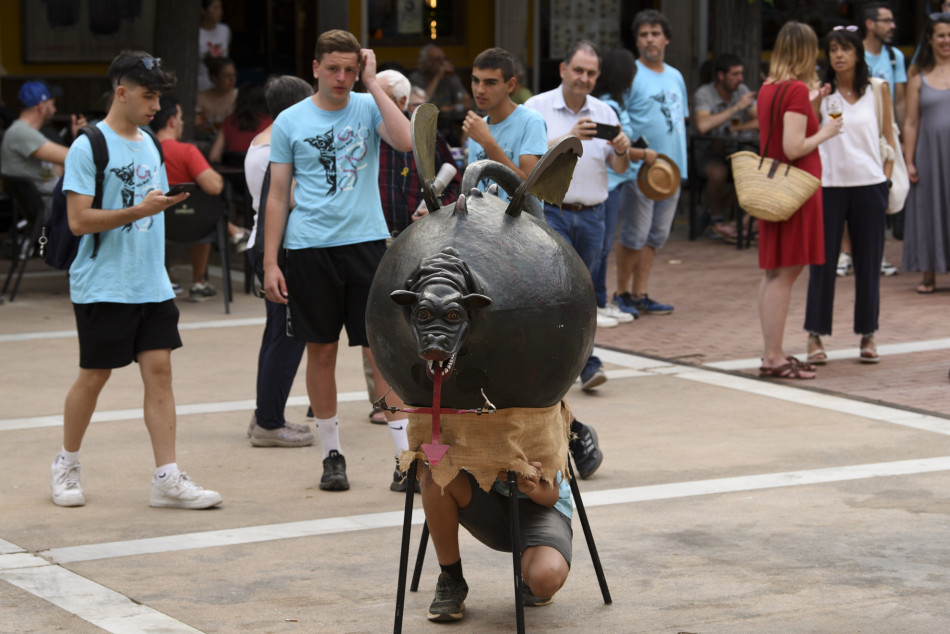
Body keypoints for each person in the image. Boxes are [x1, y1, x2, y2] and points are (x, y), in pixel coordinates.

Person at [51, 49, 221, 509]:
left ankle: (166, 477)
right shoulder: (89, 145)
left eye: (159, 98)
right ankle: (66, 463)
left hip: (151, 281)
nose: (156, 107)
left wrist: (157, 207)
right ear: (121, 93)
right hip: (103, 282)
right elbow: (78, 220)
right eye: (148, 97)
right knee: (95, 375)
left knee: (160, 372)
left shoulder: (151, 142)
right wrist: (138, 210)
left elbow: (150, 207)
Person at [262, 30, 413, 492]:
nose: (341, 77)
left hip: (366, 244)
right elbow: (277, 195)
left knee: (381, 352)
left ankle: (405, 458)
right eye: (333, 69)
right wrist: (270, 262)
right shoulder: (290, 120)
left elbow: (406, 140)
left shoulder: (368, 105)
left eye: (350, 69)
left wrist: (374, 82)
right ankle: (332, 455)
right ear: (315, 68)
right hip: (310, 248)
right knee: (321, 351)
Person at [525, 40, 630, 391]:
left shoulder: (605, 112)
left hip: (594, 215)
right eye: (579, 70)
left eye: (591, 73)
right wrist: (568, 137)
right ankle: (568, 363)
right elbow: (527, 159)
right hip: (551, 212)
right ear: (563, 69)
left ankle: (581, 361)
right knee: (554, 290)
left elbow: (619, 167)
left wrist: (622, 150)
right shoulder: (536, 108)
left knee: (585, 293)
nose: (584, 78)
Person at [756, 22, 841, 380]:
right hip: (796, 190)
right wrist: (826, 131)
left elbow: (779, 129)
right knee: (786, 273)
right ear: (806, 51)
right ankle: (774, 357)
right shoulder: (794, 89)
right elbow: (793, 147)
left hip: (775, 188)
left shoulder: (769, 87)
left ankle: (772, 352)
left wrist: (812, 102)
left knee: (774, 272)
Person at [805, 26, 894, 366]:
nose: (839, 55)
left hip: (870, 185)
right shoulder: (822, 94)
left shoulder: (877, 90)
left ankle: (868, 333)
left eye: (846, 48)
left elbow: (889, 139)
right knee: (822, 263)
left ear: (858, 54)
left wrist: (885, 182)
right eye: (833, 49)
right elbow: (808, 137)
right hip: (829, 186)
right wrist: (814, 100)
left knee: (868, 263)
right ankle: (815, 334)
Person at [243, 75, 315, 448]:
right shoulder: (278, 147)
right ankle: (269, 423)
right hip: (281, 248)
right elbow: (291, 199)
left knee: (277, 335)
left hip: (267, 244)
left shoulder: (261, 141)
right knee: (288, 338)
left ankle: (264, 414)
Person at [421, 461, 573, 622]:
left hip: (542, 507)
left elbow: (551, 497)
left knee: (545, 579)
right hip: (487, 498)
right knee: (435, 473)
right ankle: (451, 578)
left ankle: (533, 570)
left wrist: (531, 486)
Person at [612, 10, 686, 318]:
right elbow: (619, 122)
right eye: (643, 34)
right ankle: (620, 294)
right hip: (638, 171)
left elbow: (680, 120)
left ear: (666, 39)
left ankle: (639, 294)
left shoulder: (676, 76)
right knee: (634, 235)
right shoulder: (631, 75)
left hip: (670, 172)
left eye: (655, 33)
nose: (649, 39)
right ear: (637, 40)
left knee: (655, 236)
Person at [592, 47, 655, 326]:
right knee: (601, 246)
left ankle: (600, 300)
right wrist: (644, 153)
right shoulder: (608, 106)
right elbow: (612, 145)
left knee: (604, 246)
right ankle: (596, 302)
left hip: (614, 181)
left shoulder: (614, 103)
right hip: (609, 182)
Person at [150, 94, 229, 302]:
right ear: (171, 121)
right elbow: (214, 186)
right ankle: (199, 282)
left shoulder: (145, 150)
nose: (183, 122)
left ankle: (159, 278)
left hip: (155, 224)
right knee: (205, 208)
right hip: (194, 224)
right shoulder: (187, 151)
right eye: (181, 117)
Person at [376, 69, 460, 236]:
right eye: (371, 98)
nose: (374, 104)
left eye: (381, 98)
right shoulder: (362, 135)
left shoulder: (426, 136)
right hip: (374, 240)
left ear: (402, 102)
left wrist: (438, 208)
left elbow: (454, 182)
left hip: (420, 238)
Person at [901, 13, 950, 294]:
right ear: (930, 39)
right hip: (929, 153)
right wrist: (909, 160)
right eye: (941, 35)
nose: (946, 40)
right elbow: (910, 122)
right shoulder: (917, 76)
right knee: (930, 207)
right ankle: (929, 274)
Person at [692, 53, 759, 242]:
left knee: (749, 170)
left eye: (741, 74)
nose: (740, 79)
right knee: (718, 172)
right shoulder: (704, 94)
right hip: (705, 150)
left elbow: (761, 120)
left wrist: (734, 128)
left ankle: (714, 211)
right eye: (735, 74)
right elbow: (703, 125)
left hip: (732, 148)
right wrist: (736, 108)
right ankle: (716, 217)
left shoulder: (741, 89)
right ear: (721, 76)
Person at [464, 47, 548, 195]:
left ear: (510, 85)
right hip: (481, 211)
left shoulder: (531, 121)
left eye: (490, 83)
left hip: (518, 212)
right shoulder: (478, 127)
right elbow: (473, 189)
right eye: (475, 80)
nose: (479, 90)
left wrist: (487, 142)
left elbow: (529, 190)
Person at [1, 80, 86, 209]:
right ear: (41, 106)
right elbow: (73, 157)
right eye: (52, 104)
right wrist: (82, 139)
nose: (55, 110)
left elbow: (63, 167)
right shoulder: (22, 133)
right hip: (49, 205)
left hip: (49, 202)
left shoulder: (24, 132)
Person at [409, 44, 471, 145]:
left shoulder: (450, 77)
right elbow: (422, 102)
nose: (442, 63)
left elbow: (467, 102)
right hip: (426, 126)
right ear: (425, 63)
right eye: (437, 59)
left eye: (444, 59)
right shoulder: (416, 78)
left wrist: (450, 108)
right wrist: (437, 77)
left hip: (450, 124)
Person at [209, 82, 272, 165]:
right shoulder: (271, 123)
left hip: (232, 171)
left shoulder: (229, 121)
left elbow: (214, 157)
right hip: (260, 171)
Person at [195, 57, 238, 141]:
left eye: (234, 75)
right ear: (214, 78)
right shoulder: (201, 98)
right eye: (227, 76)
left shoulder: (239, 96)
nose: (232, 79)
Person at [198, 0, 231, 92]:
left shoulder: (225, 30)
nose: (220, 11)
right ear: (203, 11)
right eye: (215, 8)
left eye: (220, 8)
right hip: (201, 84)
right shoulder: (197, 33)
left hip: (222, 84)